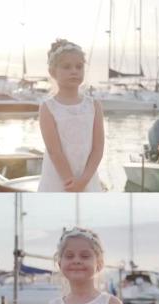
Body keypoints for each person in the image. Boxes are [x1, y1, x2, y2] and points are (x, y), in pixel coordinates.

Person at [39, 39, 104, 192]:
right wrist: (70, 182)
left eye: (79, 66)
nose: (74, 71)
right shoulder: (48, 108)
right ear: (53, 72)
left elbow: (98, 148)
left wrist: (83, 181)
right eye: (67, 67)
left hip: (87, 178)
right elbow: (54, 151)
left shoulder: (94, 106)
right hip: (58, 179)